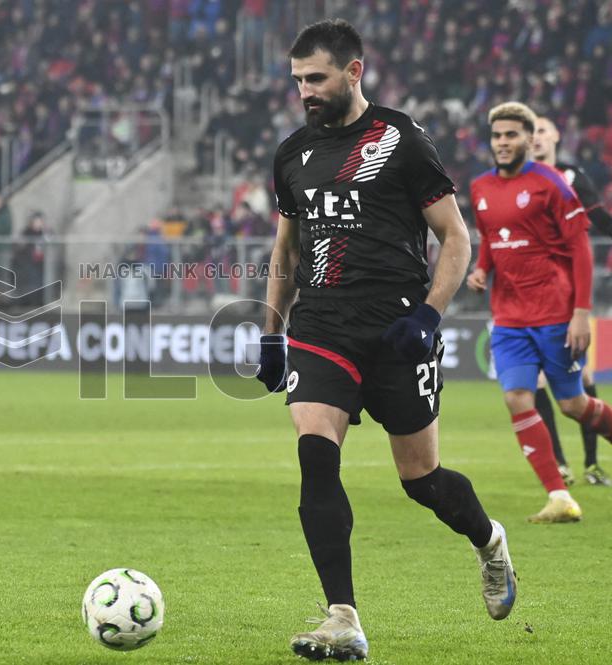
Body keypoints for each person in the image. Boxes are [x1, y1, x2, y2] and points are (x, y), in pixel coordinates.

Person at [256, 20, 515, 662]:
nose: (305, 92)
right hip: (321, 327)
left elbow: (456, 238)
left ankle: (489, 543)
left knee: (421, 480)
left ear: (354, 71)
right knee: (316, 457)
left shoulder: (399, 139)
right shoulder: (292, 153)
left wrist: (430, 315)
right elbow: (286, 249)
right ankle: (342, 617)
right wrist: (270, 332)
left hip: (398, 330)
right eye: (297, 81)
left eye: (316, 78)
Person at [468, 102, 612, 523]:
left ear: (529, 139)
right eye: (497, 136)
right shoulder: (480, 188)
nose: (503, 142)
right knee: (516, 397)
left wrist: (581, 312)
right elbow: (493, 238)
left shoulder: (552, 183)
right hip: (509, 317)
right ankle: (559, 496)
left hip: (555, 311)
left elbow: (581, 249)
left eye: (511, 135)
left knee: (573, 404)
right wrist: (482, 268)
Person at [530, 116, 612, 486]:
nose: (536, 137)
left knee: (584, 376)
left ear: (557, 136)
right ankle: (560, 463)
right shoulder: (516, 178)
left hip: (569, 289)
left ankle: (592, 464)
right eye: (531, 132)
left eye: (543, 130)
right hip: (530, 291)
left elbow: (600, 221)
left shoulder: (572, 176)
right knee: (540, 382)